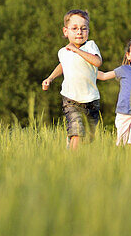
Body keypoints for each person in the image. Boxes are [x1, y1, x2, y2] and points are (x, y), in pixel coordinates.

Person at [41, 9, 102, 149]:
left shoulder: (90, 46)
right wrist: (50, 78)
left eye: (83, 28)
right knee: (77, 131)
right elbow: (63, 65)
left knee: (87, 137)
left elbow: (97, 62)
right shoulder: (63, 52)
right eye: (74, 28)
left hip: (91, 99)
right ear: (65, 31)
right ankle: (72, 161)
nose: (79, 32)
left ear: (88, 31)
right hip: (71, 99)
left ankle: (72, 143)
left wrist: (77, 51)